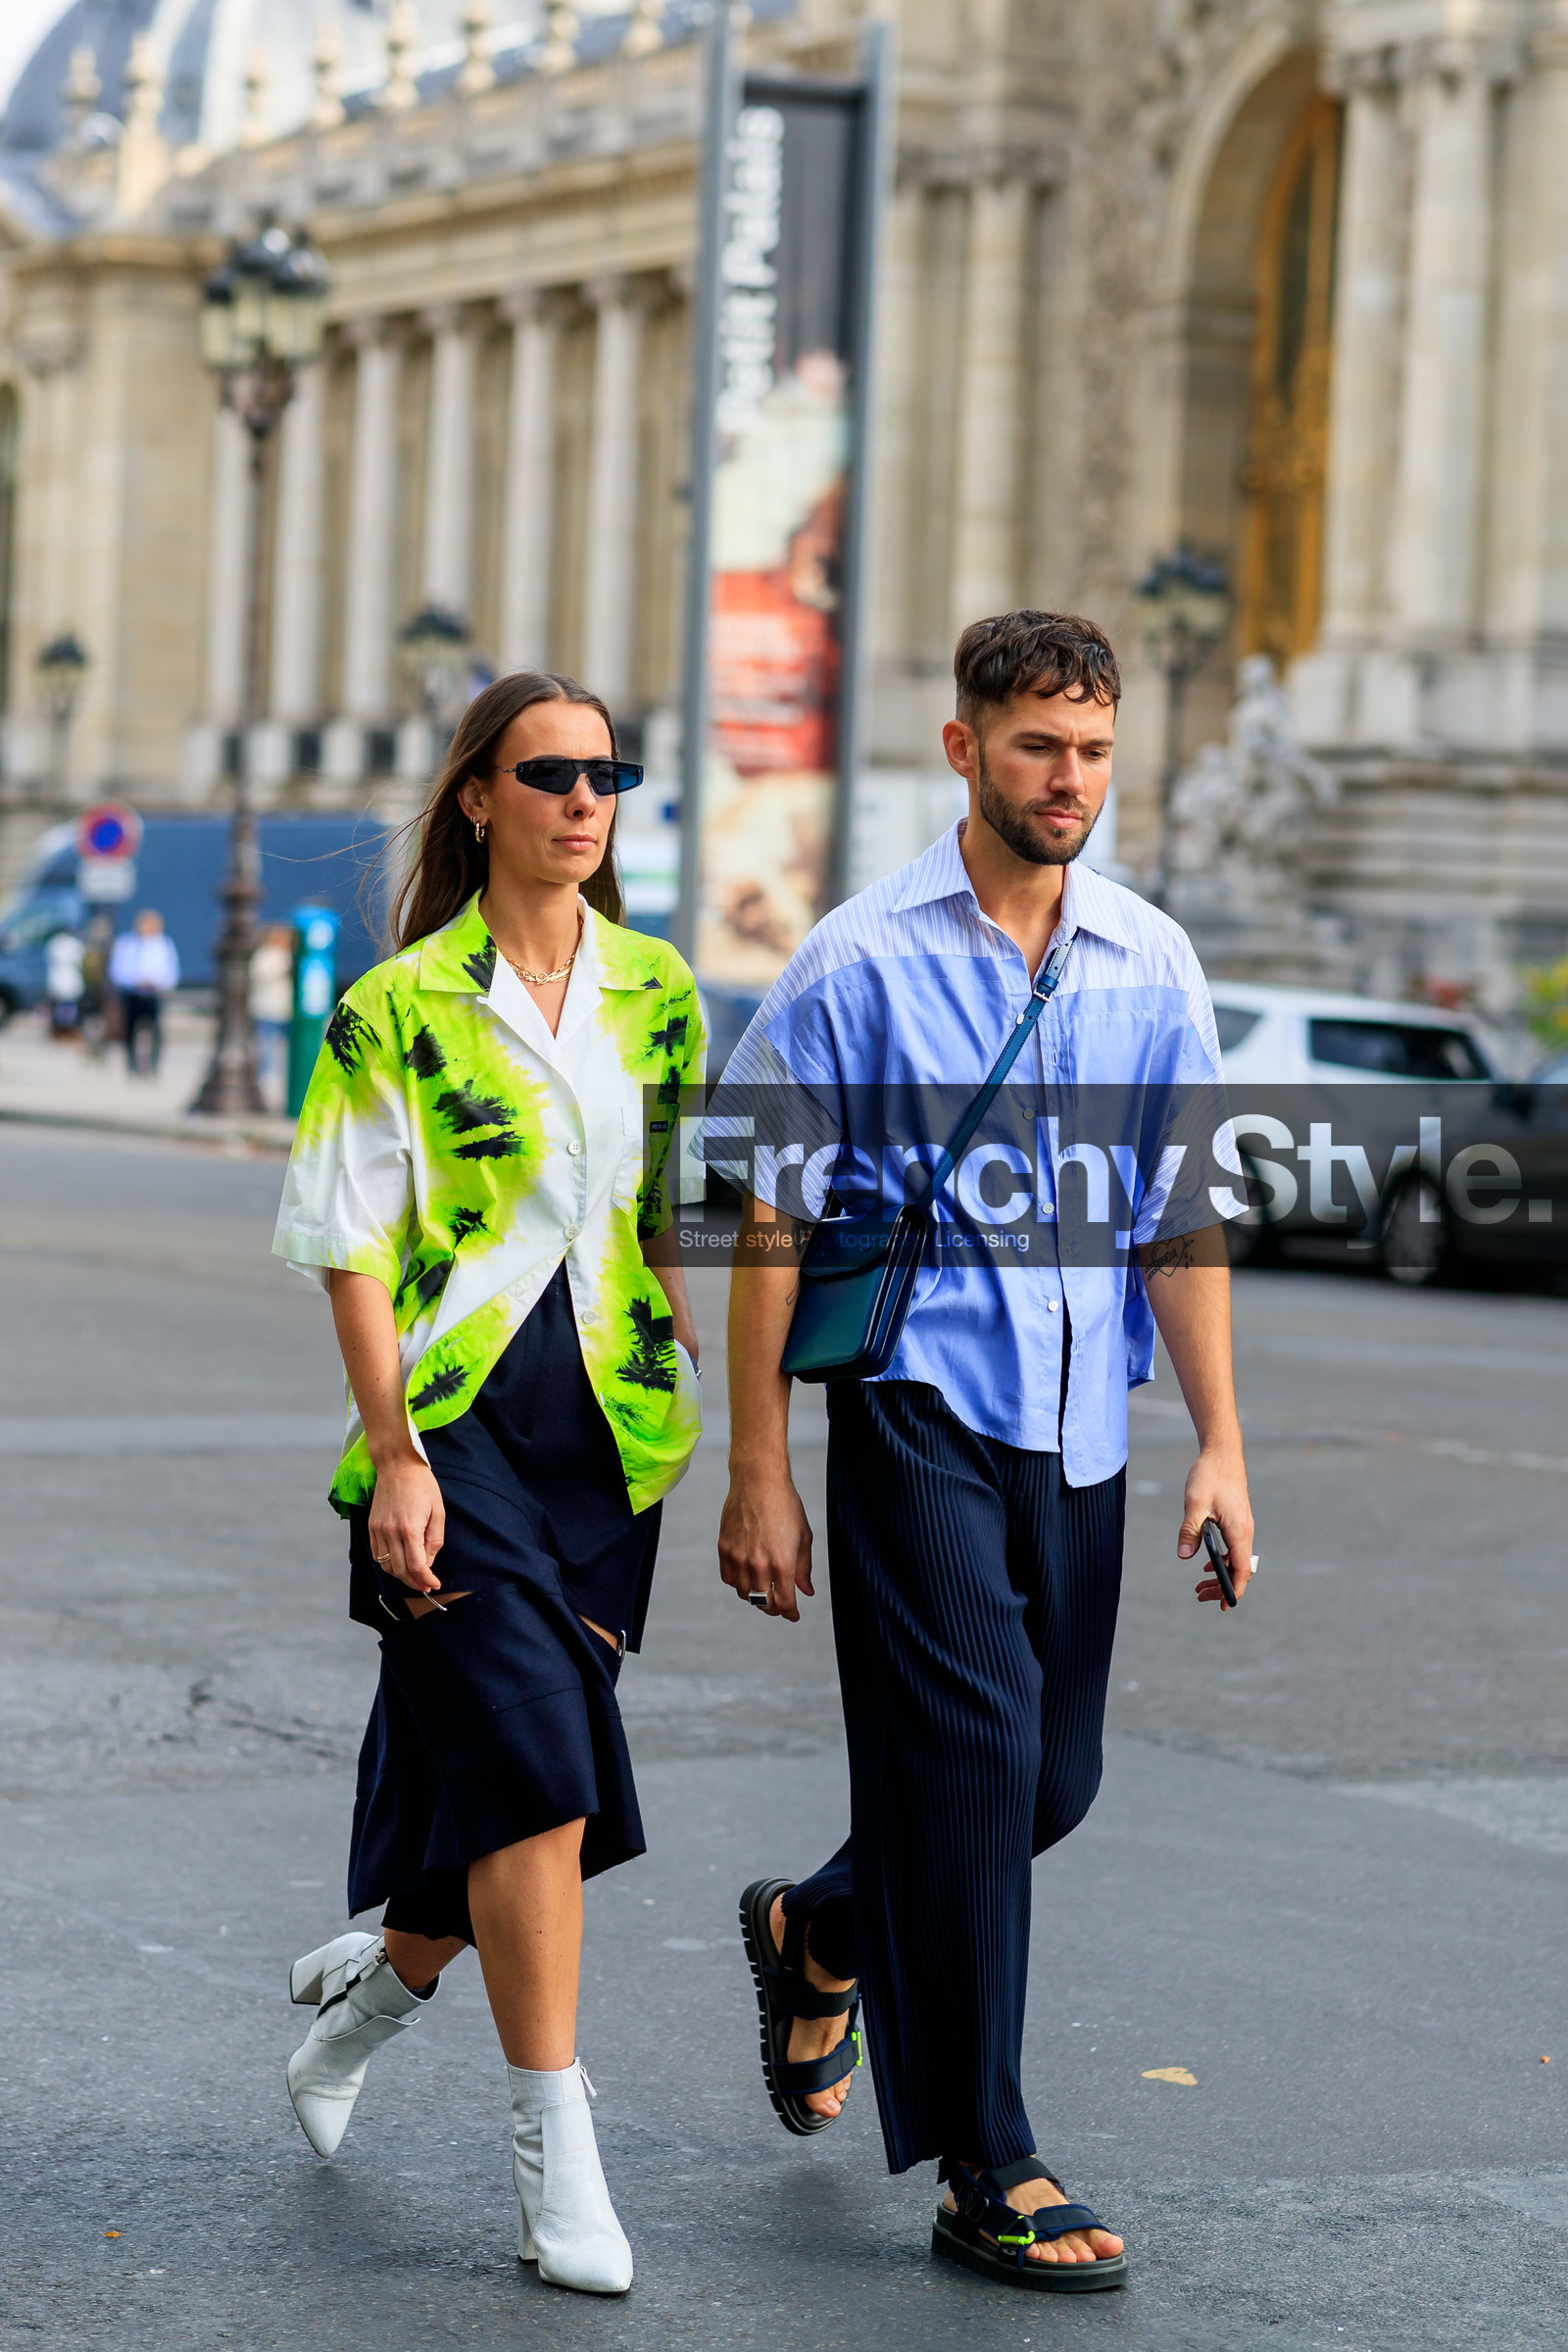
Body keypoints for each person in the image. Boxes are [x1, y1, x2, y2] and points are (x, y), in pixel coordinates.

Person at [715, 611, 1255, 2292]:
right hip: (917, 1410)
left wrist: (1225, 1445)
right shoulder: (862, 962)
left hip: (1083, 1423)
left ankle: (824, 1923)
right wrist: (760, 1469)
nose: (1068, 778)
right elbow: (767, 1216)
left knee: (1050, 1782)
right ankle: (985, 2160)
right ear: (965, 750)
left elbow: (1180, 1218)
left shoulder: (1150, 961)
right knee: (965, 1768)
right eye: (1037, 746)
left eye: (1092, 750)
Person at [271, 671, 705, 2297]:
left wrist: (734, 1440)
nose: (586, 798)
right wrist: (391, 1454)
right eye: (552, 773)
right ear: (480, 798)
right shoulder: (393, 1005)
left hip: (609, 1439)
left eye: (610, 773)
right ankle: (557, 2154)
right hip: (451, 1428)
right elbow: (347, 1243)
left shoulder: (660, 990)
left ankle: (366, 2008)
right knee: (542, 1772)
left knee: (518, 1787)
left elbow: (682, 1221)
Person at [108, 909, 179, 1074]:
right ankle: (131, 1065)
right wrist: (134, 981)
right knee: (130, 1030)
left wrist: (158, 983)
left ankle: (153, 1066)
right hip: (132, 992)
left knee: (155, 1032)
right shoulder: (126, 943)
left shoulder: (163, 944)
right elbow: (117, 969)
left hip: (154, 993)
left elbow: (171, 971)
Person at [249, 923, 295, 1102]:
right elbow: (259, 975)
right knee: (267, 1046)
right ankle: (269, 1082)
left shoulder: (290, 955)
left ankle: (281, 1079)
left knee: (283, 1047)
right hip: (268, 1009)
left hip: (286, 1010)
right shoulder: (265, 955)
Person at [45, 924, 84, 1037]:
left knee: (69, 1007)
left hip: (70, 982)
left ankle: (68, 1028)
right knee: (61, 1007)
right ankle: (61, 1029)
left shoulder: (71, 945)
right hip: (61, 981)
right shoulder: (57, 944)